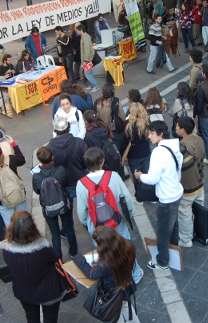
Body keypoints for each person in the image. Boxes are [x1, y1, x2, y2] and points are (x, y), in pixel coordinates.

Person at [76, 147, 143, 282]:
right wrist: (129, 214)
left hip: (98, 228)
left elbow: (81, 212)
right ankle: (135, 274)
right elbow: (126, 198)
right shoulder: (113, 176)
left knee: (105, 254)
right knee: (126, 249)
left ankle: (115, 276)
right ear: (102, 161)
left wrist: (87, 224)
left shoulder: (81, 184)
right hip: (117, 222)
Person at [0, 211, 68, 323]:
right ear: (32, 226)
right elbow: (55, 258)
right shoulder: (42, 247)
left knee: (31, 318)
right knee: (50, 319)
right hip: (48, 292)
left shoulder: (6, 250)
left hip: (25, 293)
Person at [133, 121, 183, 271]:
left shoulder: (158, 152)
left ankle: (162, 262)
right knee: (173, 225)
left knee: (162, 232)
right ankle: (174, 251)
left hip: (167, 197)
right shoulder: (174, 146)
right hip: (176, 192)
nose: (149, 136)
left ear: (160, 134)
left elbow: (153, 179)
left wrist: (140, 176)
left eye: (151, 133)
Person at [72, 226, 139, 322]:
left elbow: (91, 274)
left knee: (115, 315)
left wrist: (78, 258)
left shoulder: (105, 265)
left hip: (113, 294)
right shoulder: (128, 245)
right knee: (126, 308)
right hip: (126, 285)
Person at [32, 147, 77, 260]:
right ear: (52, 157)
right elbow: (65, 182)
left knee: (54, 232)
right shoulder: (60, 170)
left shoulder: (37, 176)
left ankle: (59, 258)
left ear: (39, 160)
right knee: (68, 228)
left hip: (48, 207)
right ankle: (74, 252)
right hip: (63, 204)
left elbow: (37, 190)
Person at [175, 116, 205, 248]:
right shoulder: (198, 139)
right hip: (199, 182)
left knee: (185, 213)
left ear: (182, 130)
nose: (175, 128)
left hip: (188, 187)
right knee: (199, 211)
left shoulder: (182, 147)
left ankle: (186, 239)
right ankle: (201, 232)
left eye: (177, 126)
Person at [0, 142, 28, 226]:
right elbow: (22, 160)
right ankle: (28, 235)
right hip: (18, 194)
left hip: (2, 200)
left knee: (10, 223)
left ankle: (14, 237)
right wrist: (14, 144)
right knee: (24, 219)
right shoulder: (12, 159)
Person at [47, 117, 87, 204]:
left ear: (55, 130)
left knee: (68, 210)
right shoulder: (79, 142)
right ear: (68, 127)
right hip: (81, 179)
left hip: (63, 182)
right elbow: (85, 162)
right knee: (86, 205)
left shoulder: (49, 147)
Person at [120, 102, 151, 189]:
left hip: (134, 155)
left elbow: (124, 143)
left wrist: (121, 154)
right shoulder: (147, 123)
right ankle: (148, 193)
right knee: (146, 175)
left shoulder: (130, 127)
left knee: (136, 177)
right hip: (146, 153)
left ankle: (139, 194)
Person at [93, 83, 127, 148]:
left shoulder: (97, 102)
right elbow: (123, 118)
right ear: (113, 91)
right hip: (114, 131)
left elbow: (95, 117)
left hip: (101, 130)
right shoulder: (116, 102)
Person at [77, 24, 101, 92]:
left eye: (78, 31)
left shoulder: (85, 37)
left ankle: (96, 86)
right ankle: (92, 85)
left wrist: (85, 60)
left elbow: (87, 49)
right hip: (87, 58)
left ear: (81, 30)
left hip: (87, 59)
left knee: (87, 73)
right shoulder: (85, 36)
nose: (77, 32)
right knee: (89, 72)